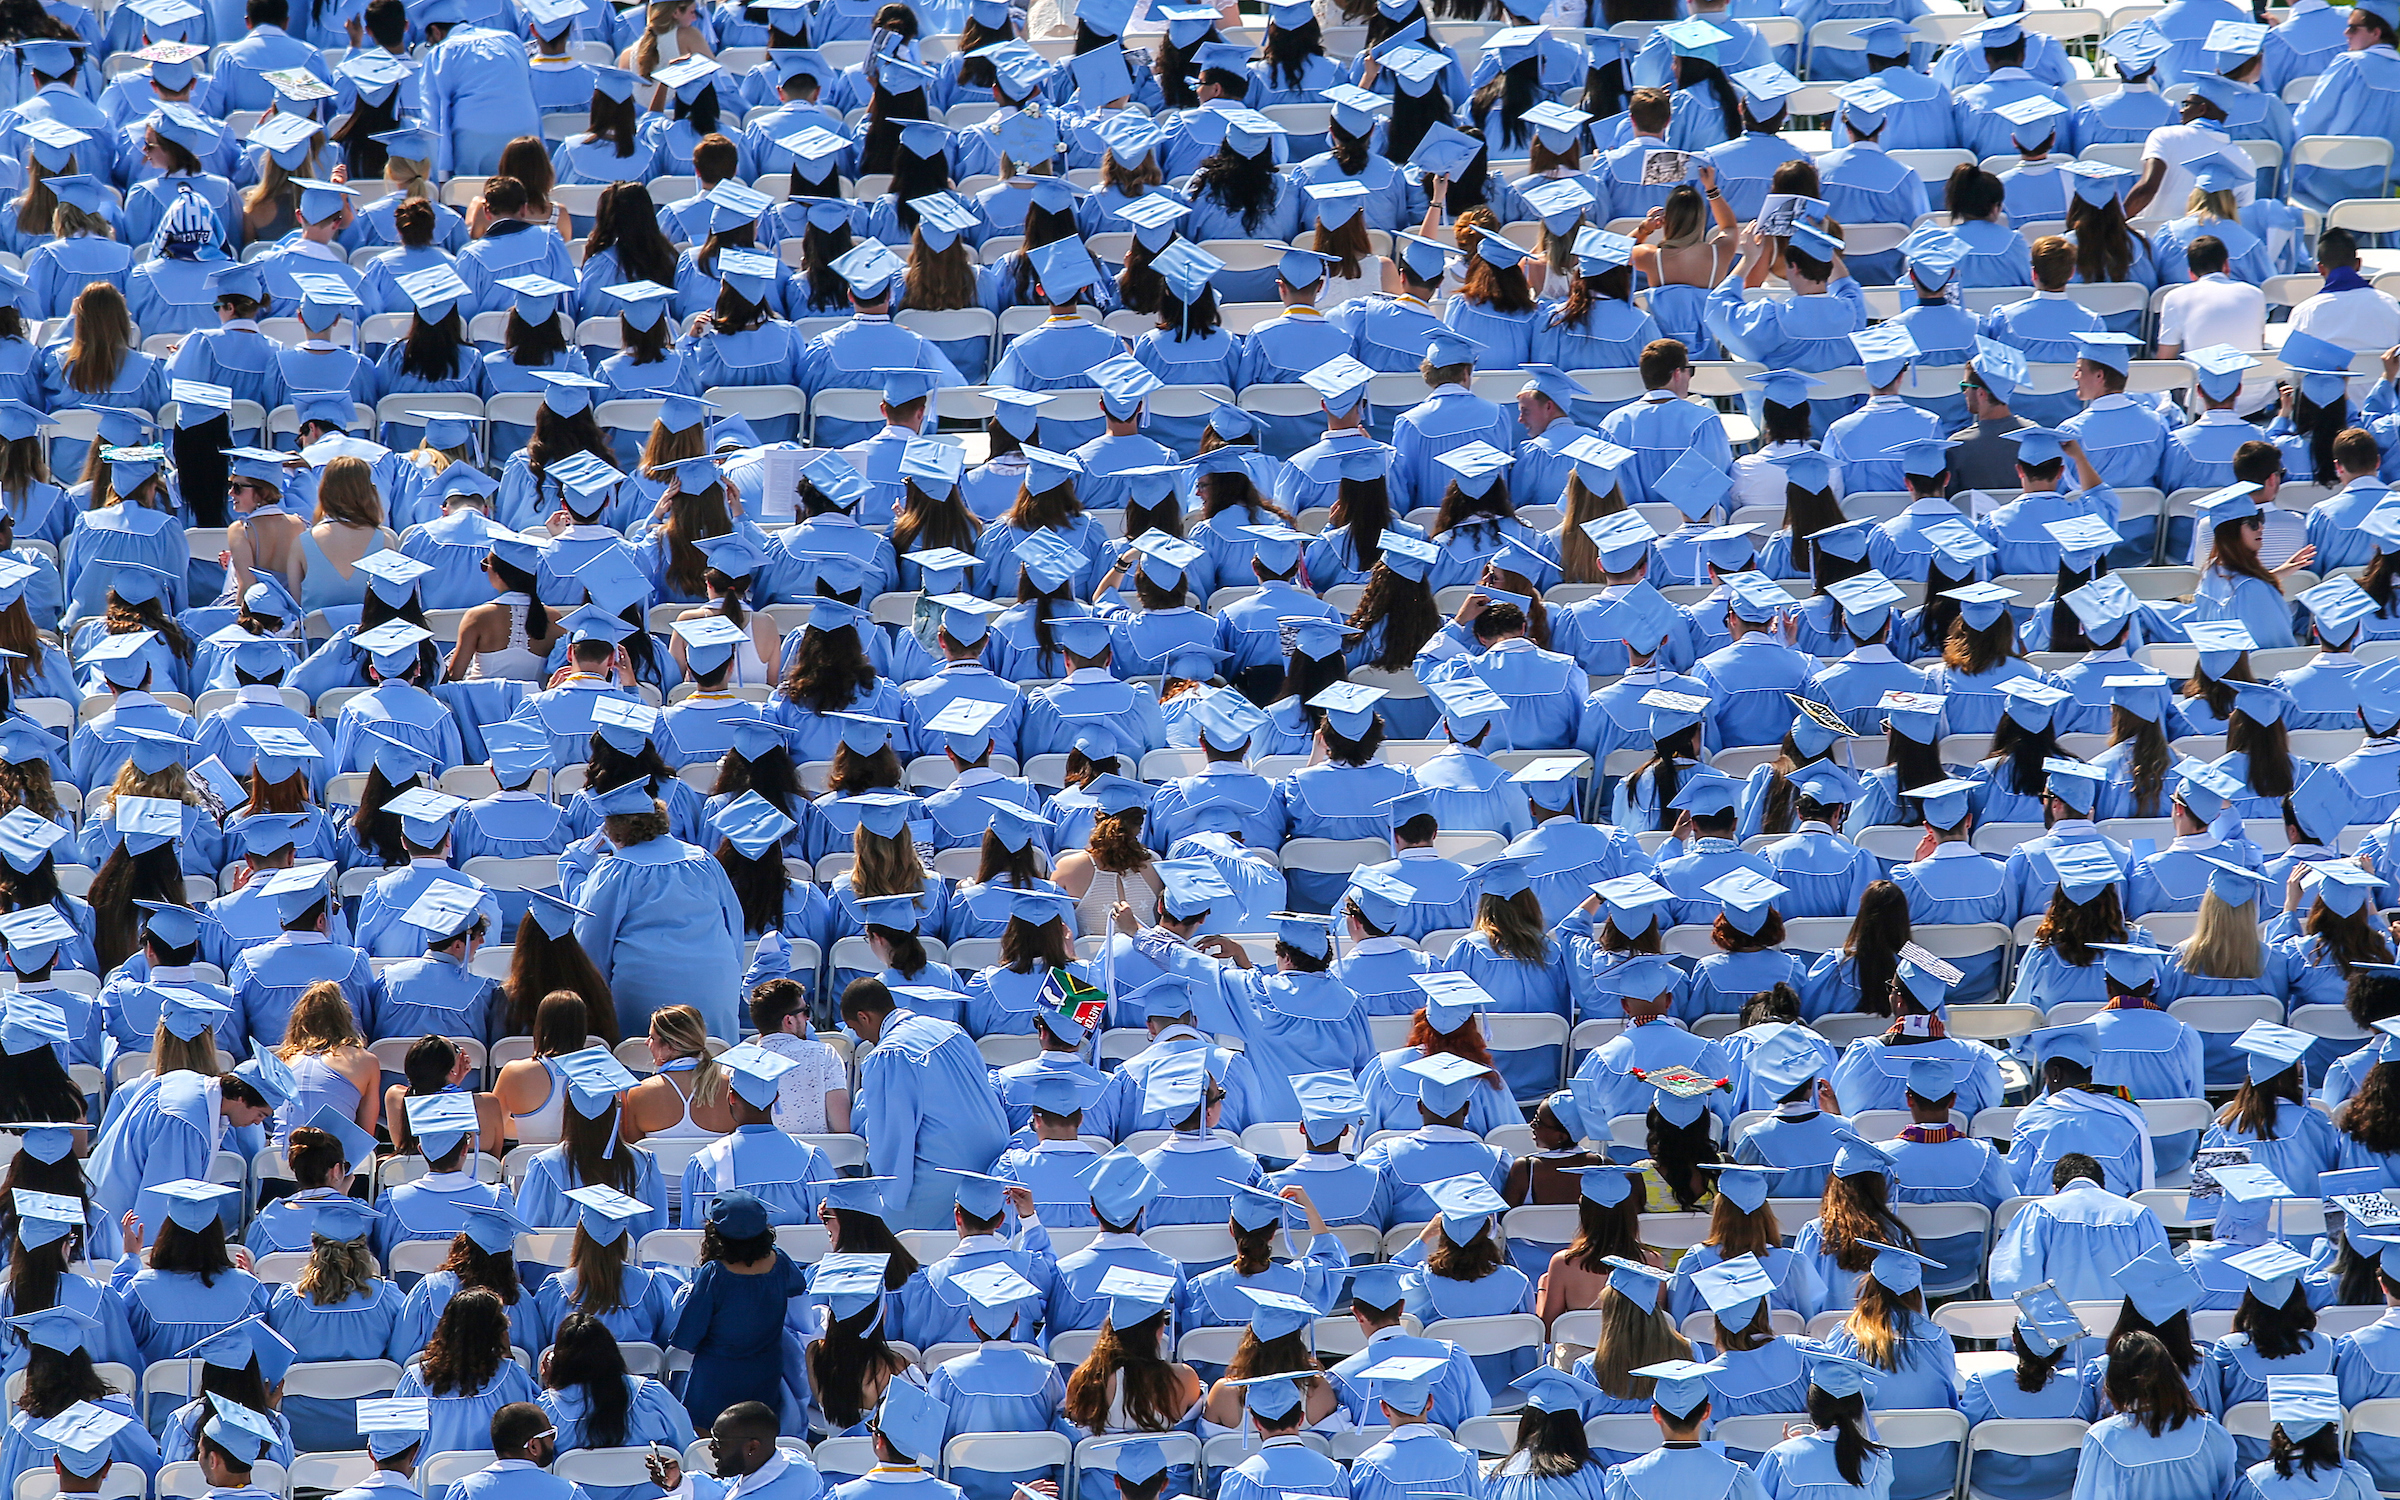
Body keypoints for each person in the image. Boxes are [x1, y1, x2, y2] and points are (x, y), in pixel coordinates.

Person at [837, 978, 1011, 1232]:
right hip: (992, 1160)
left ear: (864, 1017)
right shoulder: (950, 1030)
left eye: (854, 1027)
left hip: (944, 1170)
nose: (860, 1037)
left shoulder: (888, 1055)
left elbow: (893, 1135)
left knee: (889, 1230)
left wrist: (890, 1192)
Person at [667, 1188, 812, 1429]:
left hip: (715, 1382)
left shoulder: (714, 1274)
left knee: (709, 1449)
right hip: (765, 1378)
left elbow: (687, 1338)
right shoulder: (780, 1262)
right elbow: (799, 1298)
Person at [2072, 1330, 2238, 1499]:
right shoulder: (2206, 1430)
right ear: (2172, 1376)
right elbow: (2226, 1487)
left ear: (2115, 1382)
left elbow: (2087, 1495)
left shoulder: (2103, 1438)